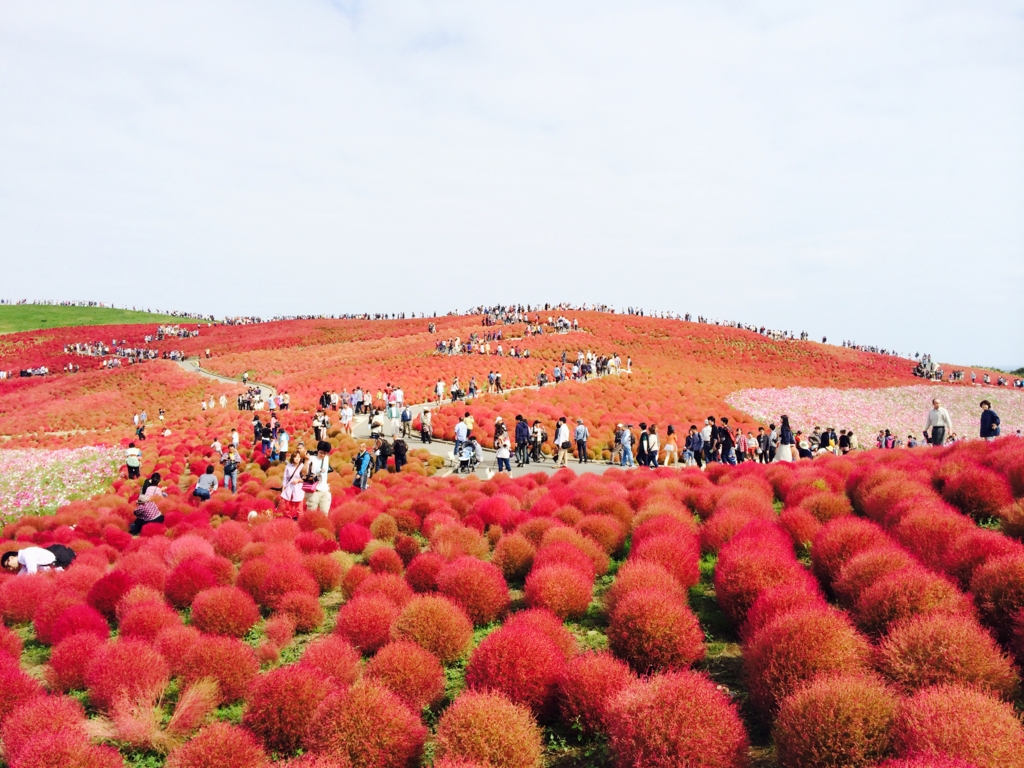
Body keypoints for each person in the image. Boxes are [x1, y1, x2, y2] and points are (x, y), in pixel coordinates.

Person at [2, 544, 76, 574]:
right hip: (54, 567)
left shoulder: (27, 553)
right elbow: (22, 572)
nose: (10, 569)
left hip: (61, 564)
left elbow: (32, 572)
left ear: (11, 558)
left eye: (8, 565)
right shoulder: (23, 559)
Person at [305, 441, 333, 512]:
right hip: (314, 491)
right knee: (311, 513)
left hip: (325, 490)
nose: (323, 455)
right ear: (318, 450)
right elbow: (304, 472)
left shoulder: (326, 458)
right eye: (321, 452)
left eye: (325, 453)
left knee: (324, 513)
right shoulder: (311, 459)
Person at [281, 452, 306, 518]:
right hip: (289, 488)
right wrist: (283, 487)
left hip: (299, 489)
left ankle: (300, 521)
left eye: (298, 457)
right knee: (288, 506)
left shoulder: (302, 466)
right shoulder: (288, 466)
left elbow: (306, 478)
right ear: (292, 458)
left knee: (299, 508)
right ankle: (288, 519)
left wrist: (298, 480)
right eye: (295, 457)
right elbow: (285, 477)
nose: (297, 459)